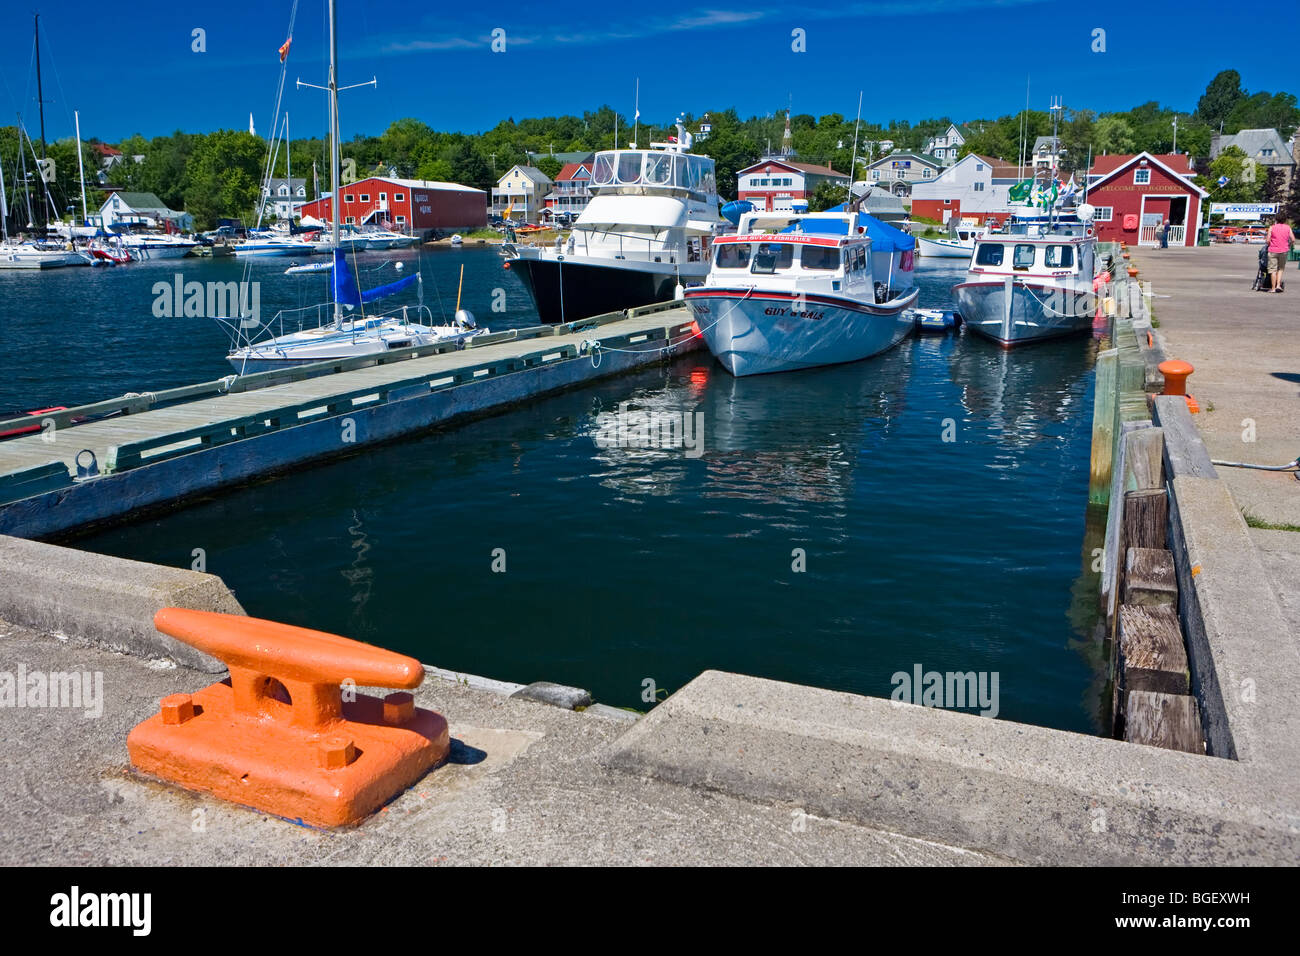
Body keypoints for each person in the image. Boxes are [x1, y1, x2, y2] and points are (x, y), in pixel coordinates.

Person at [1266, 215, 1295, 292]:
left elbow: (1268, 240)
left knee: (1273, 270)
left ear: (1276, 220)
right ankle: (1278, 285)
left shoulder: (1272, 227)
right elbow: (1293, 239)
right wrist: (1288, 245)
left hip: (1273, 250)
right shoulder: (1288, 228)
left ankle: (1273, 288)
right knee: (1281, 269)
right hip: (1284, 250)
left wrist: (1269, 244)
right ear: (1285, 220)